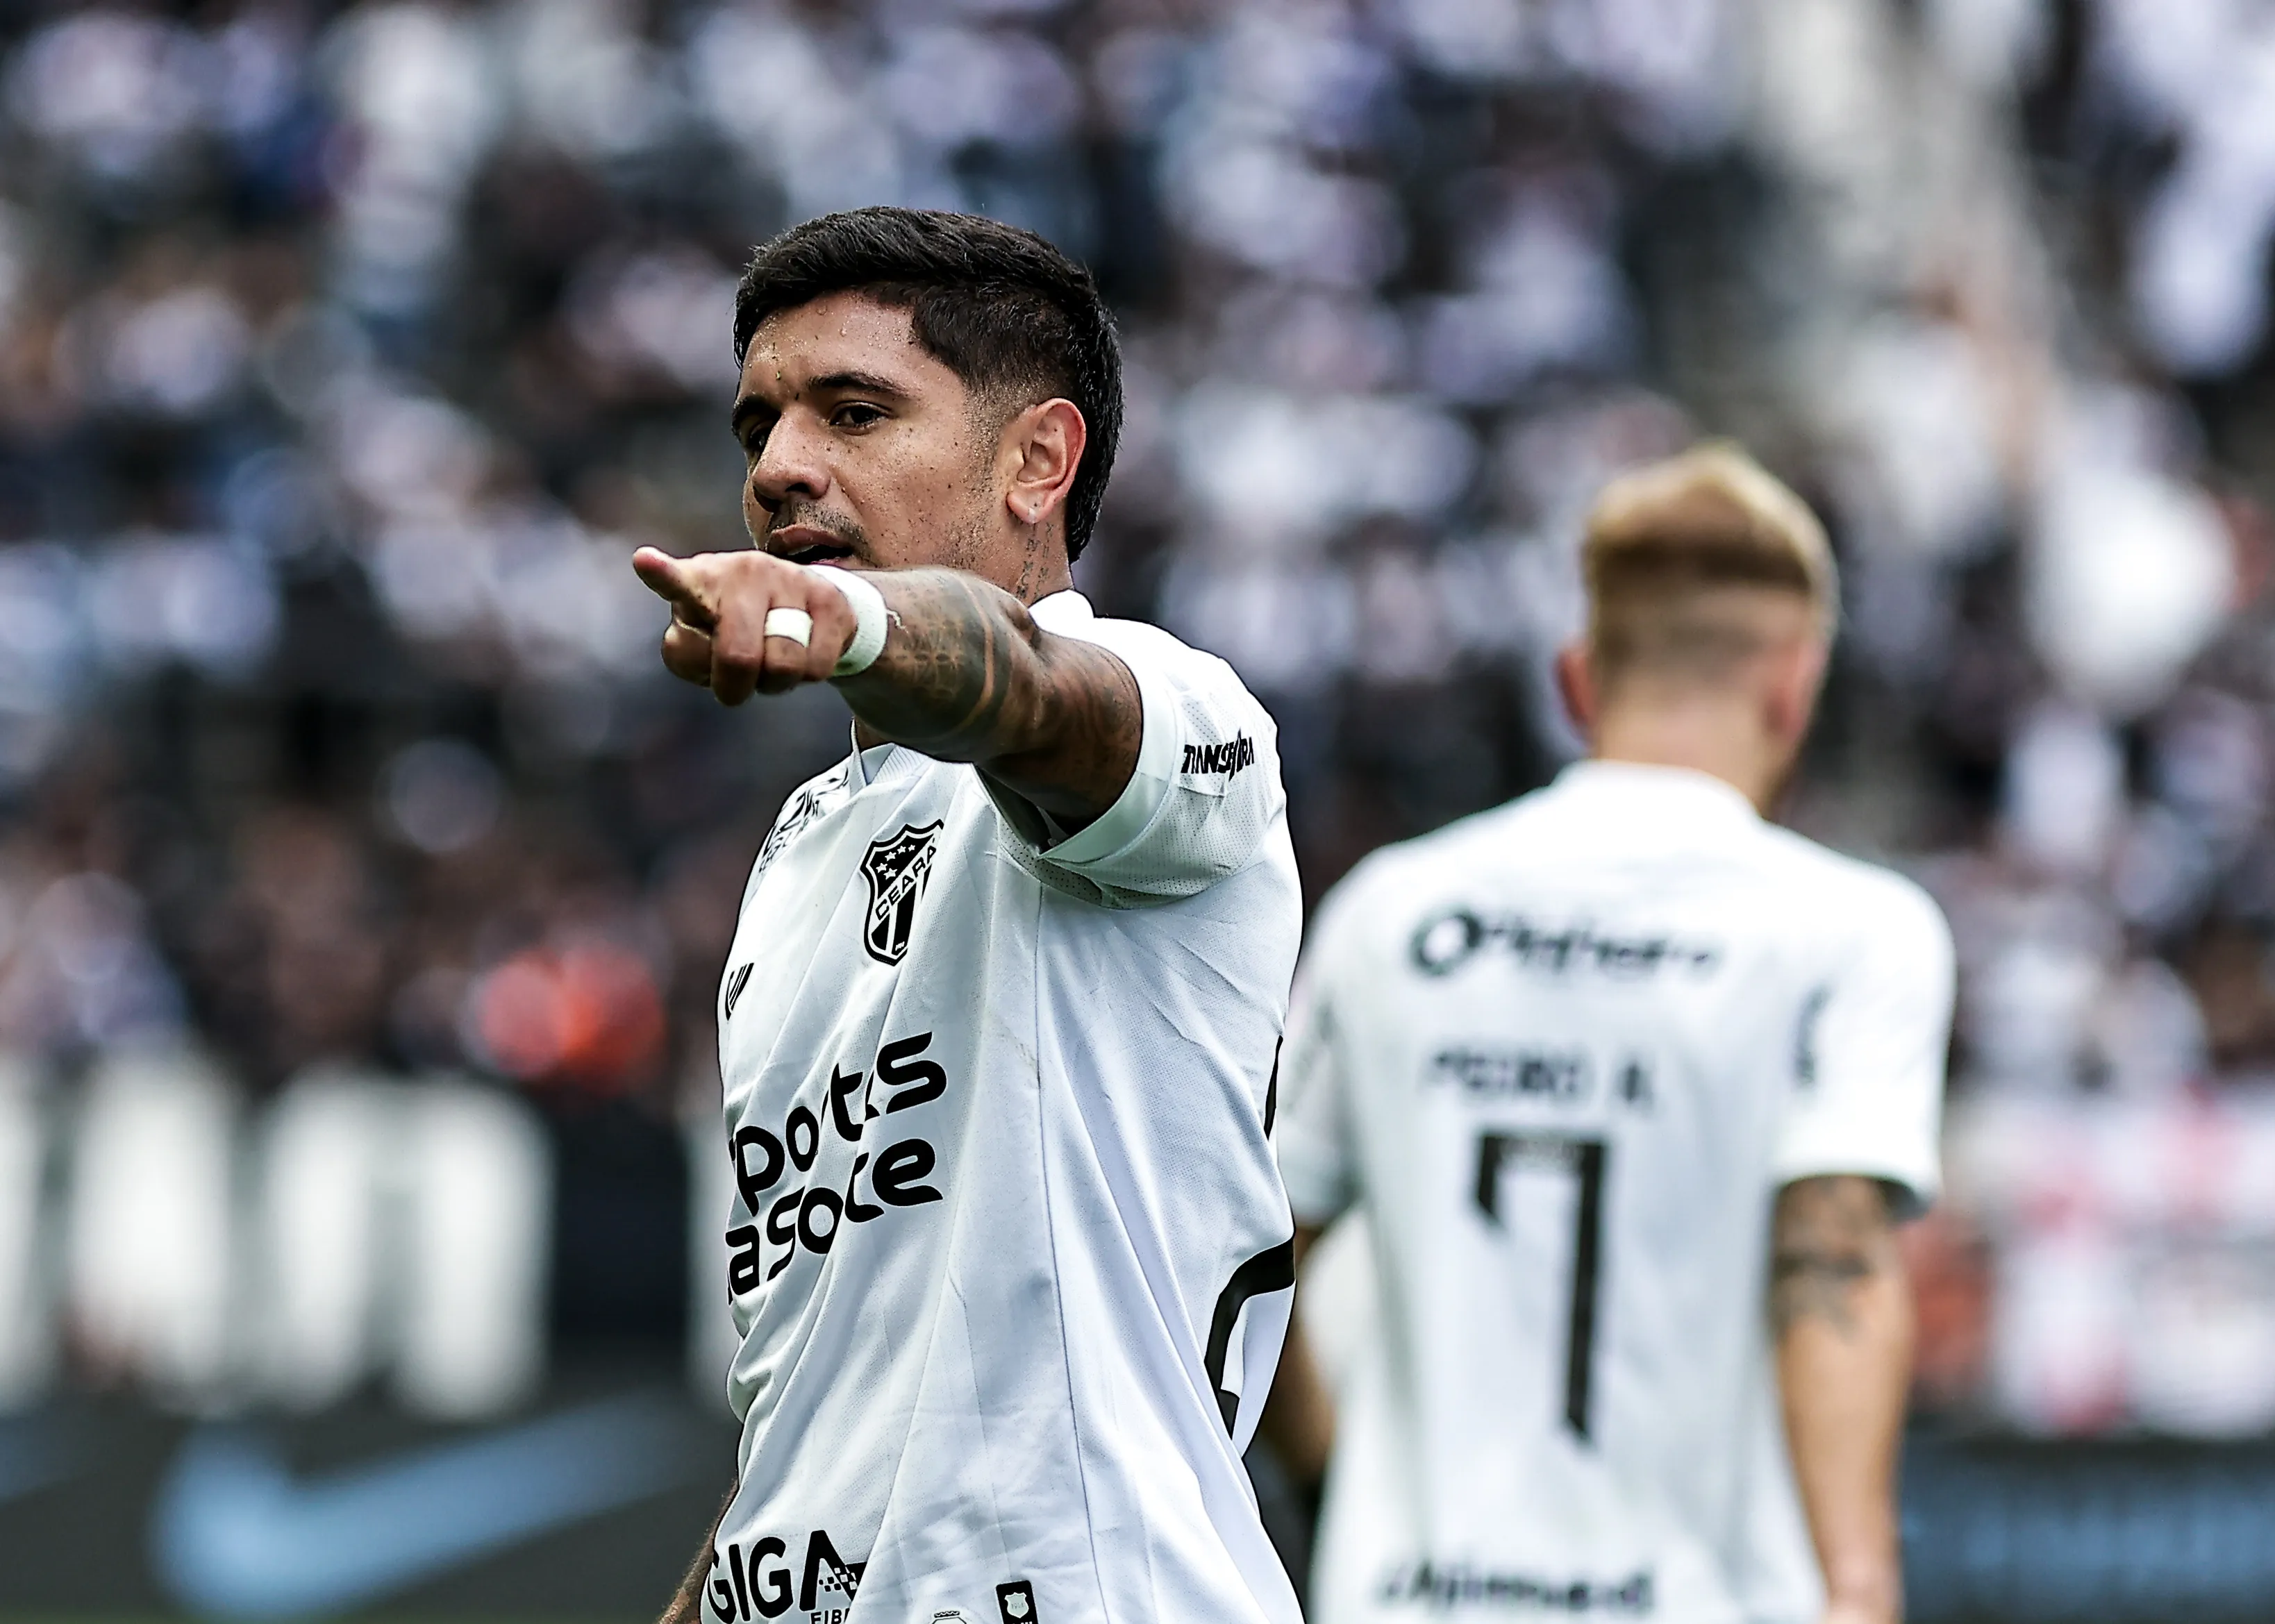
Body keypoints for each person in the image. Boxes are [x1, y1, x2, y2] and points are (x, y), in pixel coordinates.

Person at [640, 208, 1304, 1624]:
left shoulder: (1160, 699)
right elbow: (816, 1394)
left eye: (854, 411)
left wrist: (857, 629)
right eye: (758, 422)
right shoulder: (804, 848)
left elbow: (1024, 692)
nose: (776, 468)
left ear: (1037, 461)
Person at [1264, 446, 1955, 1624]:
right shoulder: (1854, 929)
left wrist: (1330, 1468)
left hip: (1410, 1596)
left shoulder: (1395, 911)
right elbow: (1832, 1250)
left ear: (1577, 680)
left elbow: (1255, 1243)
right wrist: (1858, 1585)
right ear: (1795, 687)